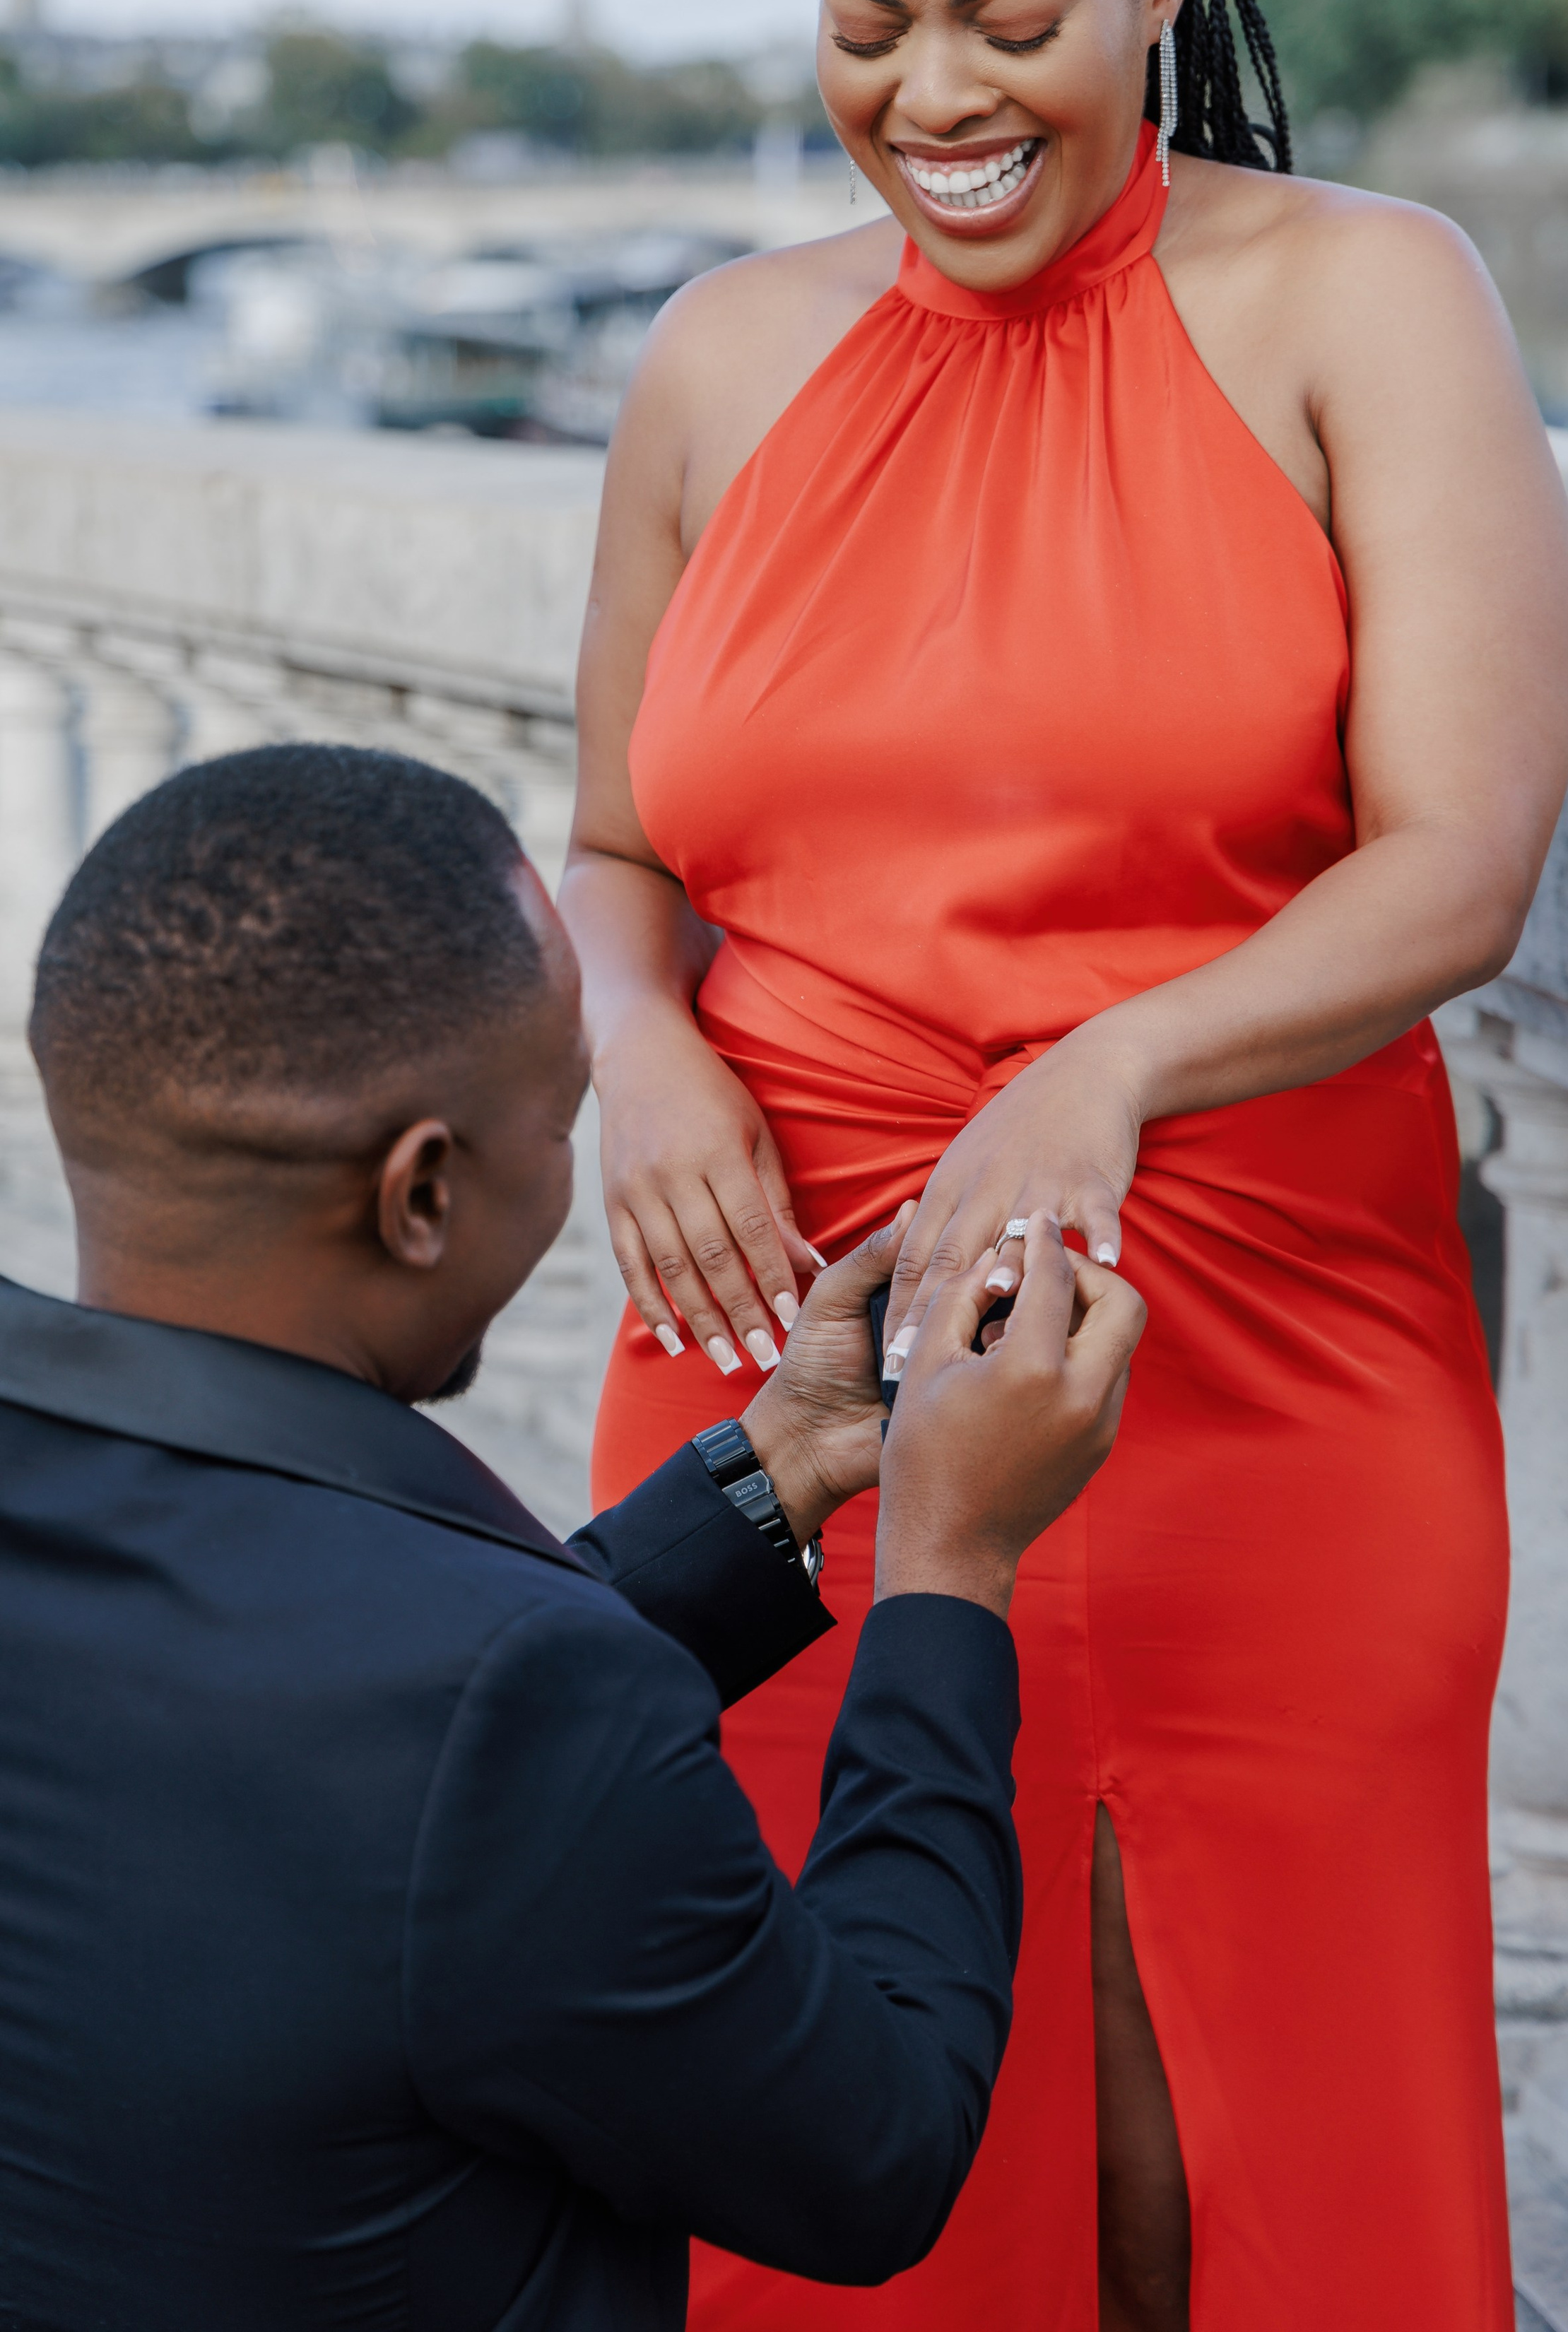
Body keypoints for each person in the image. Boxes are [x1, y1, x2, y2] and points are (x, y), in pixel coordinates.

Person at [560, 0, 1568, 2329]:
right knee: (830, 2089)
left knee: (1231, 2130)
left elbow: (1461, 857)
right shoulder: (713, 360)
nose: (935, 95)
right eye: (868, 24)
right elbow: (604, 844)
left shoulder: (1367, 300)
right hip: (784, 1359)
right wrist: (643, 1040)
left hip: (1257, 1335)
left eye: (1010, 16)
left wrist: (1104, 1068)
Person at [0, 741, 1145, 2332]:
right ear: (419, 1195)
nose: (575, 1162)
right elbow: (873, 2154)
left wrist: (778, 1468)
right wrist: (948, 1574)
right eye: (563, 1122)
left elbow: (348, 1727)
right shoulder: (507, 1712)